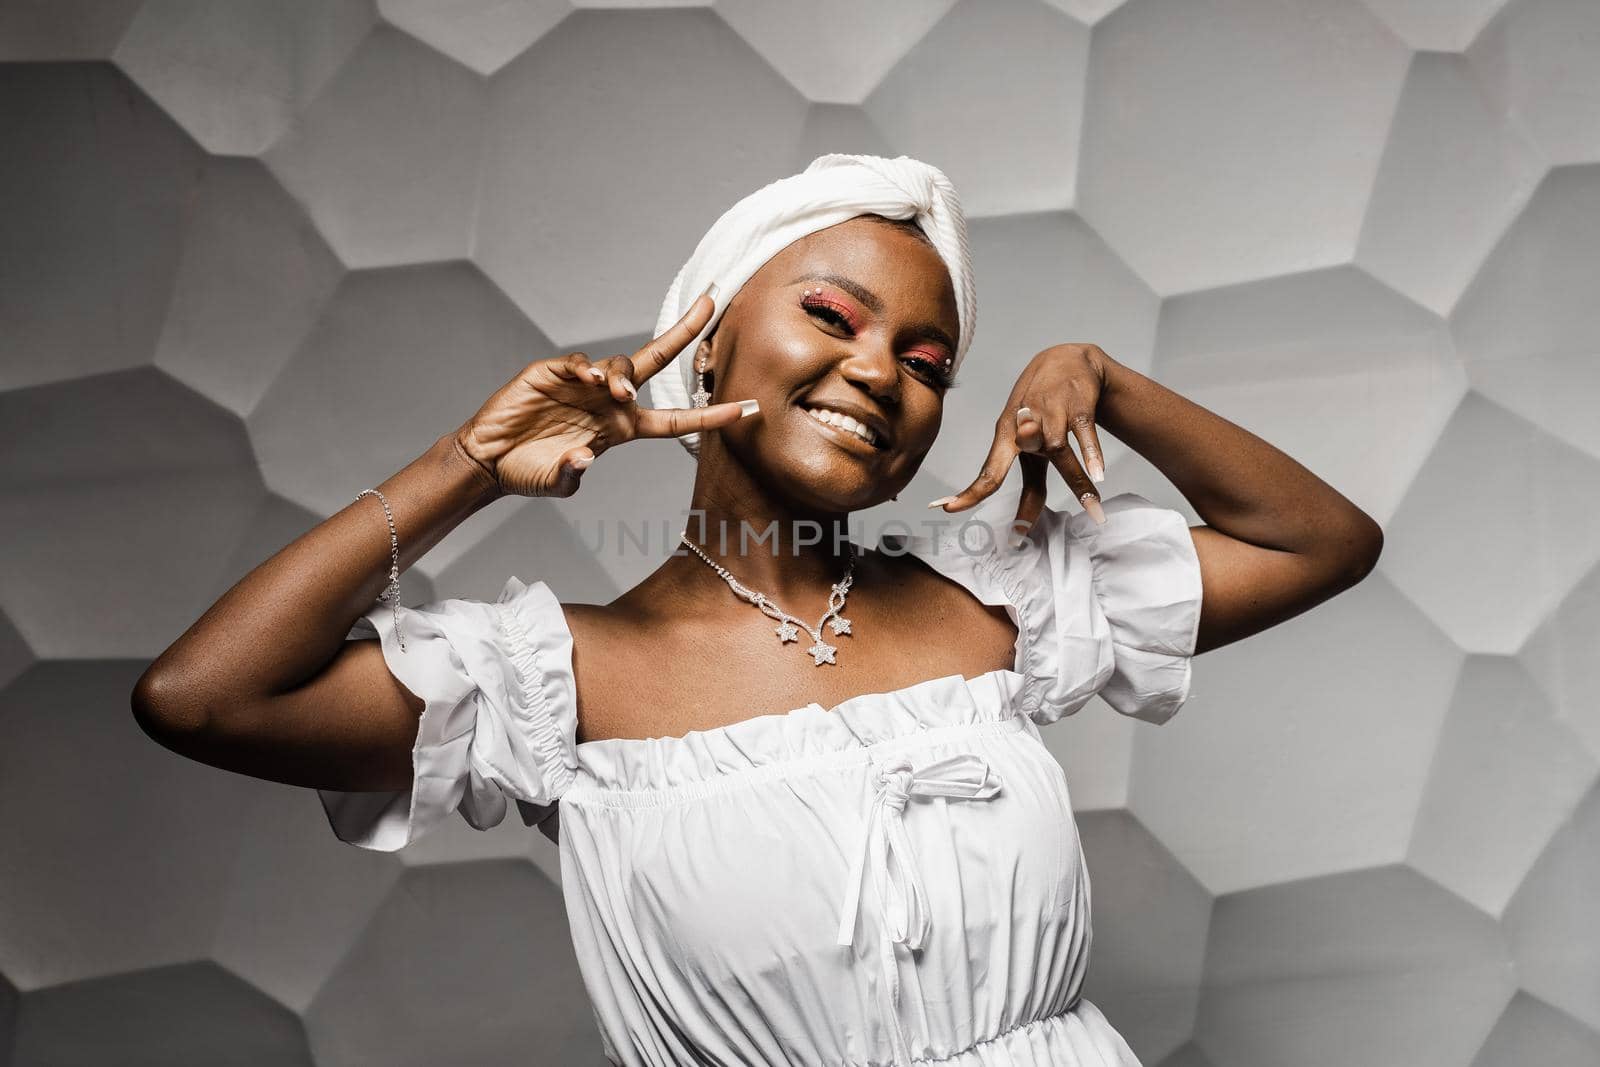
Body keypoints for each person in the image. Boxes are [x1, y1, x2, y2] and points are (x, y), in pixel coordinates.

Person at [132, 154, 1383, 1066]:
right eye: (831, 316)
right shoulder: (554, 674)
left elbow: (1322, 541)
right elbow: (203, 696)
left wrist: (1110, 384)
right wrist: (470, 456)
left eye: (928, 359)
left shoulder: (996, 604)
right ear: (709, 345)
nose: (878, 371)